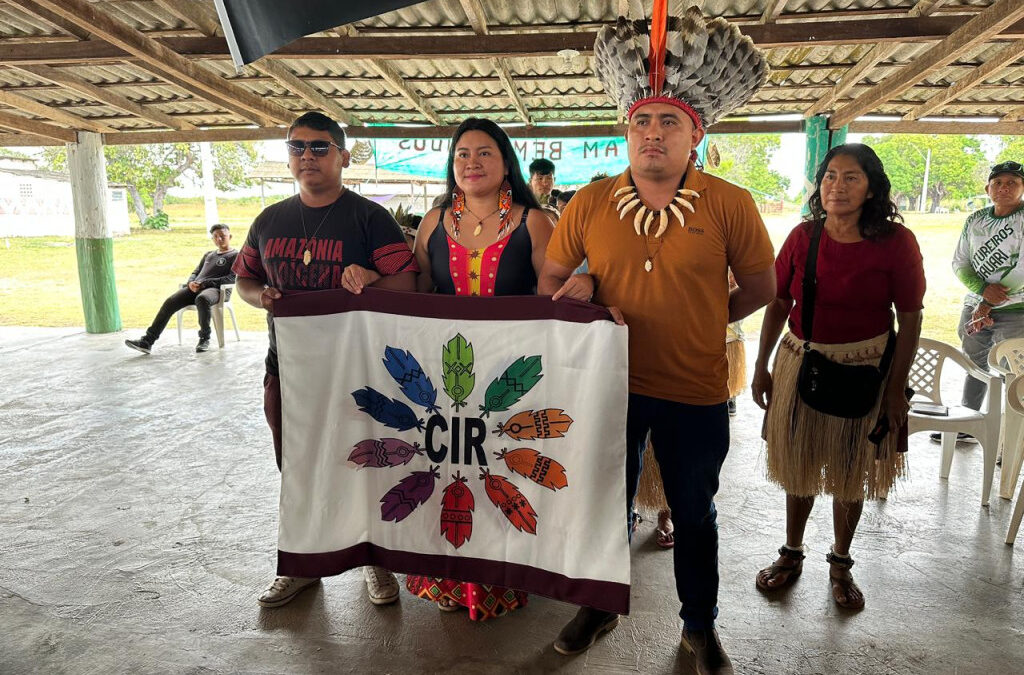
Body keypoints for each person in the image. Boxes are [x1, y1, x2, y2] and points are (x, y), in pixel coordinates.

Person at [539, 5, 773, 672]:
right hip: (610, 387)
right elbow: (554, 277)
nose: (652, 133)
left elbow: (759, 288)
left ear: (694, 134)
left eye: (669, 121)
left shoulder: (730, 203)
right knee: (603, 505)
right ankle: (600, 604)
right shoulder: (589, 202)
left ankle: (699, 626)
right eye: (641, 120)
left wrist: (701, 318)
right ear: (627, 130)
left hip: (696, 388)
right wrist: (579, 285)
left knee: (695, 512)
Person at [231, 111, 418, 609]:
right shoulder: (269, 220)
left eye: (319, 147)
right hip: (288, 370)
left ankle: (374, 562)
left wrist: (373, 278)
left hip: (359, 373)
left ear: (342, 156)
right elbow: (244, 280)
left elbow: (409, 282)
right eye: (297, 147)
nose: (307, 156)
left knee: (365, 464)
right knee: (297, 469)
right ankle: (302, 565)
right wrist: (260, 297)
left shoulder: (369, 217)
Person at [751, 143, 924, 612]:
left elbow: (910, 317)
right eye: (830, 176)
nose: (838, 186)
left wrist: (894, 391)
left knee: (852, 470)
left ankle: (841, 561)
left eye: (851, 177)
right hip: (799, 362)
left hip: (866, 368)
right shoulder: (802, 237)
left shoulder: (896, 243)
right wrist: (761, 365)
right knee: (799, 464)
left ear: (872, 188)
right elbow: (778, 304)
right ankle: (791, 551)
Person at [407, 117, 551, 618]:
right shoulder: (434, 220)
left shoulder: (535, 223)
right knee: (450, 476)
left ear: (505, 162)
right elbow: (419, 288)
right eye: (462, 154)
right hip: (447, 376)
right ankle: (449, 581)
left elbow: (553, 298)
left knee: (499, 478)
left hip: (509, 382)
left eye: (484, 153)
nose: (472, 162)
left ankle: (503, 579)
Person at [946, 160, 1024, 436]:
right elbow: (960, 262)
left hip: (1017, 309)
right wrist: (981, 291)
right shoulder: (976, 219)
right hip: (976, 305)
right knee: (974, 363)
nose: (1004, 188)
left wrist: (988, 302)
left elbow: (1022, 269)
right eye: (998, 183)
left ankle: (1012, 436)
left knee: (1014, 372)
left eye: (1012, 183)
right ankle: (968, 424)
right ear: (987, 188)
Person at [125, 223, 237, 354]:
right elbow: (195, 272)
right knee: (170, 302)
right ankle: (147, 341)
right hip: (195, 288)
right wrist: (190, 283)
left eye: (222, 236)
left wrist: (205, 284)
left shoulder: (235, 255)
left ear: (230, 236)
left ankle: (204, 339)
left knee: (202, 299)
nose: (219, 239)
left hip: (217, 291)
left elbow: (232, 278)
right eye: (215, 236)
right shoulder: (208, 255)